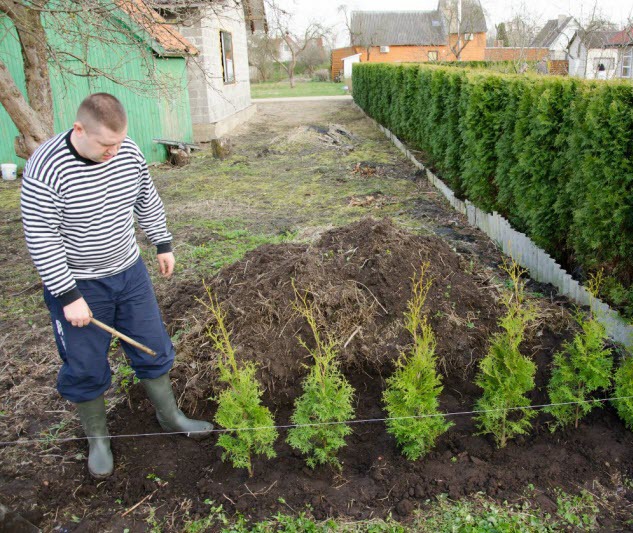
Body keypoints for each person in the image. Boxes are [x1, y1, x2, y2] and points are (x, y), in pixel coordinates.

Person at [21, 93, 213, 479]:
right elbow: (41, 236)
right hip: (79, 285)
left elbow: (145, 197)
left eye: (120, 142)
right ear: (80, 130)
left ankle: (170, 416)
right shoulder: (46, 168)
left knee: (153, 346)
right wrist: (68, 295)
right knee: (86, 365)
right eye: (106, 145)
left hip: (128, 272)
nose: (115, 152)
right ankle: (98, 439)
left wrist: (162, 242)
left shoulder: (126, 152)